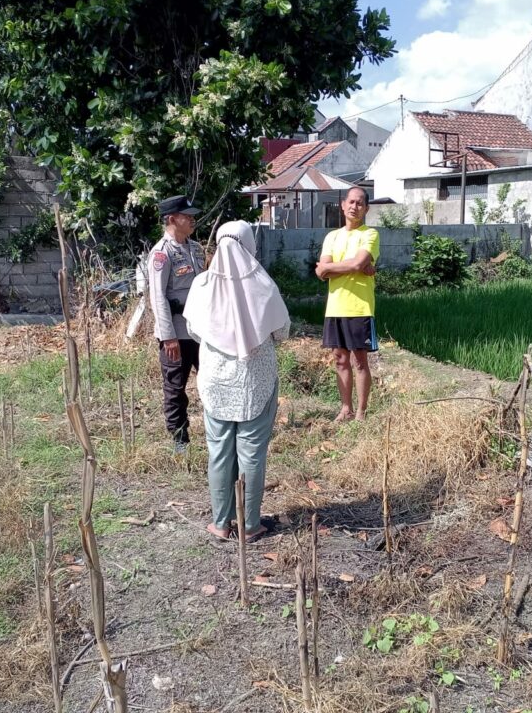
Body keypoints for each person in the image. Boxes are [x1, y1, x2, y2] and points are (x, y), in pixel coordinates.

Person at [183, 221, 291, 542]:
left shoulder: (202, 284)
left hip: (215, 381)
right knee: (252, 453)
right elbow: (282, 332)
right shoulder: (264, 285)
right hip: (255, 382)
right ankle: (249, 525)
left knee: (218, 452)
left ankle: (220, 523)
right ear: (249, 244)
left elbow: (194, 330)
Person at [148, 194, 206, 456]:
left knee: (210, 380)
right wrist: (168, 337)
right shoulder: (161, 254)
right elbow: (158, 297)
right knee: (175, 388)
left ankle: (216, 431)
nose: (192, 219)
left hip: (200, 331)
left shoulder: (195, 248)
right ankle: (180, 439)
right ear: (172, 219)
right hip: (176, 333)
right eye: (187, 216)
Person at [315, 187, 379, 422]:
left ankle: (361, 412)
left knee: (360, 361)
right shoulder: (332, 237)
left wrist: (332, 268)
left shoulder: (370, 234)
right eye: (351, 202)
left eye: (360, 203)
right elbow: (322, 272)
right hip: (335, 308)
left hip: (360, 307)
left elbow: (354, 264)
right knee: (340, 359)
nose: (354, 206)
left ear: (366, 208)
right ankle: (346, 408)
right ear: (343, 205)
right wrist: (348, 266)